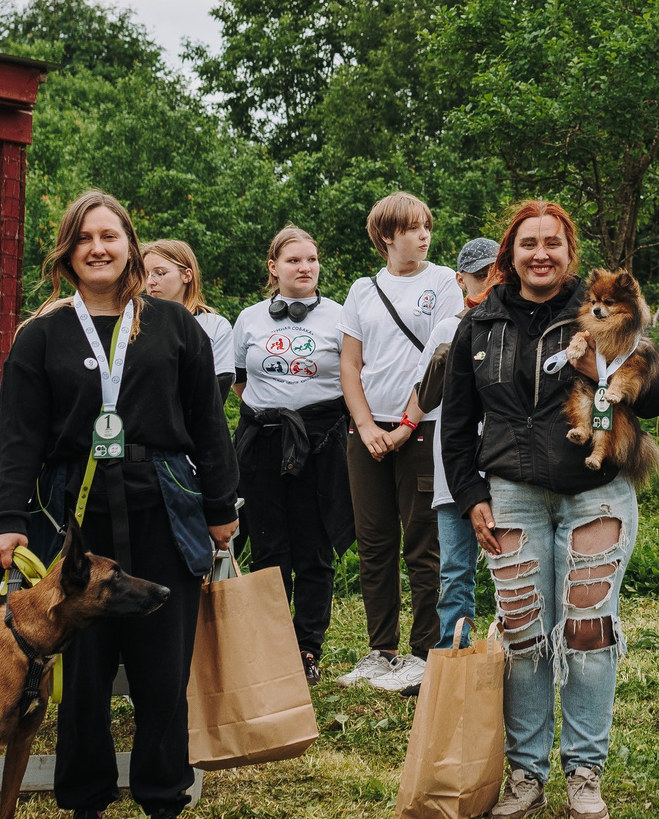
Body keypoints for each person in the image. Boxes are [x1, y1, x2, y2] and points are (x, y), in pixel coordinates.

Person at [0, 190, 236, 819]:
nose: (98, 247)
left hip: (163, 508)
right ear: (67, 252)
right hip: (74, 521)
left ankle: (163, 812)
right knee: (83, 673)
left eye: (110, 235)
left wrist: (221, 508)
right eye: (83, 237)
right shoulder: (42, 334)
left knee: (162, 672)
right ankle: (86, 810)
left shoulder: (173, 327)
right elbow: (18, 438)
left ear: (130, 244)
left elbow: (209, 427)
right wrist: (10, 519)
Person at [445, 200, 659, 819]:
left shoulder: (605, 316)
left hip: (595, 489)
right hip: (512, 491)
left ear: (571, 252)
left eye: (552, 243)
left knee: (587, 631)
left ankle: (584, 773)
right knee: (522, 638)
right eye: (527, 244)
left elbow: (655, 400)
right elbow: (457, 425)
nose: (540, 254)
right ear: (508, 254)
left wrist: (597, 367)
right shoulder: (478, 324)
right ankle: (525, 774)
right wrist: (471, 497)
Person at [337, 192, 461, 695]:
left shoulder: (444, 283)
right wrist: (366, 427)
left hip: (424, 428)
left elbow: (441, 361)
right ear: (387, 235)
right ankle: (380, 649)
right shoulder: (362, 290)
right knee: (375, 543)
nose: (424, 235)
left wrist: (405, 427)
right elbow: (350, 364)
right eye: (412, 228)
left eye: (427, 225)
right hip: (367, 431)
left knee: (423, 544)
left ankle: (421, 652)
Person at [227, 224, 356, 683]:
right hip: (262, 439)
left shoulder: (342, 316)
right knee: (267, 545)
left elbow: (354, 378)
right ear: (273, 267)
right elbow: (241, 381)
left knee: (314, 546)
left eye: (311, 259)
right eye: (294, 260)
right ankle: (274, 646)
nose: (305, 267)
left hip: (322, 440)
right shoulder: (249, 318)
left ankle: (306, 649)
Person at [403, 238, 500, 645]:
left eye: (498, 274)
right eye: (481, 276)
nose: (490, 284)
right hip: (455, 469)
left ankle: (510, 661)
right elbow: (424, 397)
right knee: (455, 570)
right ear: (462, 280)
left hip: (505, 464)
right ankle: (453, 662)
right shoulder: (447, 327)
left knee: (512, 569)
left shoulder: (517, 324)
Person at [143, 238, 235, 401]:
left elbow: (215, 395)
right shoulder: (135, 325)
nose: (150, 282)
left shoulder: (214, 326)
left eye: (159, 273)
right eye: (146, 274)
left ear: (186, 275)